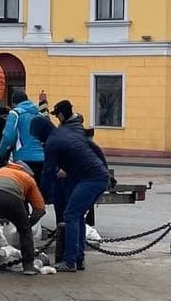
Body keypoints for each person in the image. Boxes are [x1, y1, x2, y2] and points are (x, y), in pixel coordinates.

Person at [31, 116, 109, 273]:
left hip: (91, 178)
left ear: (40, 133)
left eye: (35, 135)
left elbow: (47, 172)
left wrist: (40, 197)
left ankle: (70, 261)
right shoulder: (66, 132)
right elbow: (95, 148)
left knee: (71, 214)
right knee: (77, 215)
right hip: (97, 175)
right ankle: (78, 259)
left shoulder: (52, 143)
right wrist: (106, 169)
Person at [0, 88, 47, 185]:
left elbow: (8, 137)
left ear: (14, 103)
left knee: (25, 192)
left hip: (23, 160)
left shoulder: (15, 113)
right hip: (42, 158)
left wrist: (0, 155)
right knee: (38, 194)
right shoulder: (39, 115)